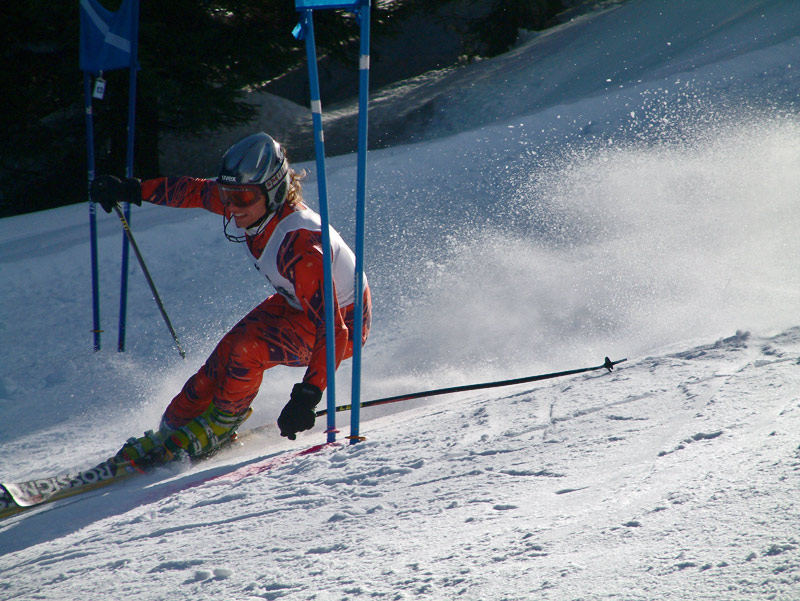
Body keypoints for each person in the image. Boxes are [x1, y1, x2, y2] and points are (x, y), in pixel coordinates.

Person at [91, 132, 371, 467]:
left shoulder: (299, 246)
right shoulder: (254, 205)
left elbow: (334, 331)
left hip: (343, 322)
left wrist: (307, 396)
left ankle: (221, 425)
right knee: (220, 361)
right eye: (228, 195)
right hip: (297, 304)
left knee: (246, 351)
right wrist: (131, 189)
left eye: (243, 198)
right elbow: (193, 191)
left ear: (275, 189)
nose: (233, 207)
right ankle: (174, 429)